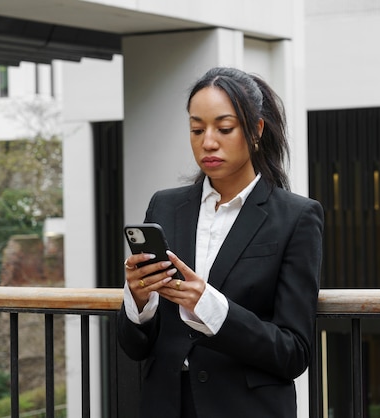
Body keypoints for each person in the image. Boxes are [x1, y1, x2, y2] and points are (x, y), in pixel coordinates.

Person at [117, 66, 324, 418]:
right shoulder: (164, 205)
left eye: (224, 128)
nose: (207, 141)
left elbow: (294, 352)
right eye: (197, 129)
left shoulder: (297, 217)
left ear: (256, 130)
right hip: (165, 404)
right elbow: (134, 348)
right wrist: (139, 300)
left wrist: (211, 307)